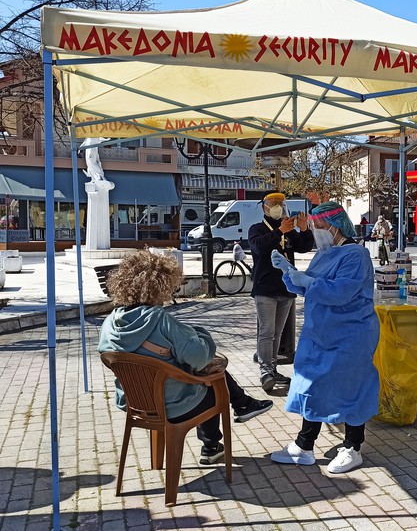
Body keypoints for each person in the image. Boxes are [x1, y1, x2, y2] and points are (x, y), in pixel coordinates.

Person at [97, 250, 273, 465]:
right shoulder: (160, 320)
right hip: (174, 405)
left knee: (203, 376)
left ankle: (227, 426)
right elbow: (200, 357)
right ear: (159, 286)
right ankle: (213, 443)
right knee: (212, 382)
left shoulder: (110, 323)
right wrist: (200, 333)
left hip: (135, 404)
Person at [269, 201, 380, 474]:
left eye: (319, 227)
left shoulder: (356, 255)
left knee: (352, 388)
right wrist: (289, 273)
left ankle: (353, 447)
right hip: (320, 333)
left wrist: (307, 281)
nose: (316, 232)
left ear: (335, 226)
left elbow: (339, 292)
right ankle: (304, 445)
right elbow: (311, 286)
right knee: (312, 385)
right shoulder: (325, 253)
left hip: (349, 334)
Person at [248, 192, 314, 391]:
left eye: (280, 203)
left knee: (277, 332)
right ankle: (265, 370)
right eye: (273, 203)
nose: (277, 206)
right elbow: (259, 247)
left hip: (286, 289)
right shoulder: (257, 229)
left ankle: (273, 367)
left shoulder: (287, 229)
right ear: (264, 207)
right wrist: (279, 231)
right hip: (265, 288)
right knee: (266, 331)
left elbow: (304, 247)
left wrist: (304, 229)